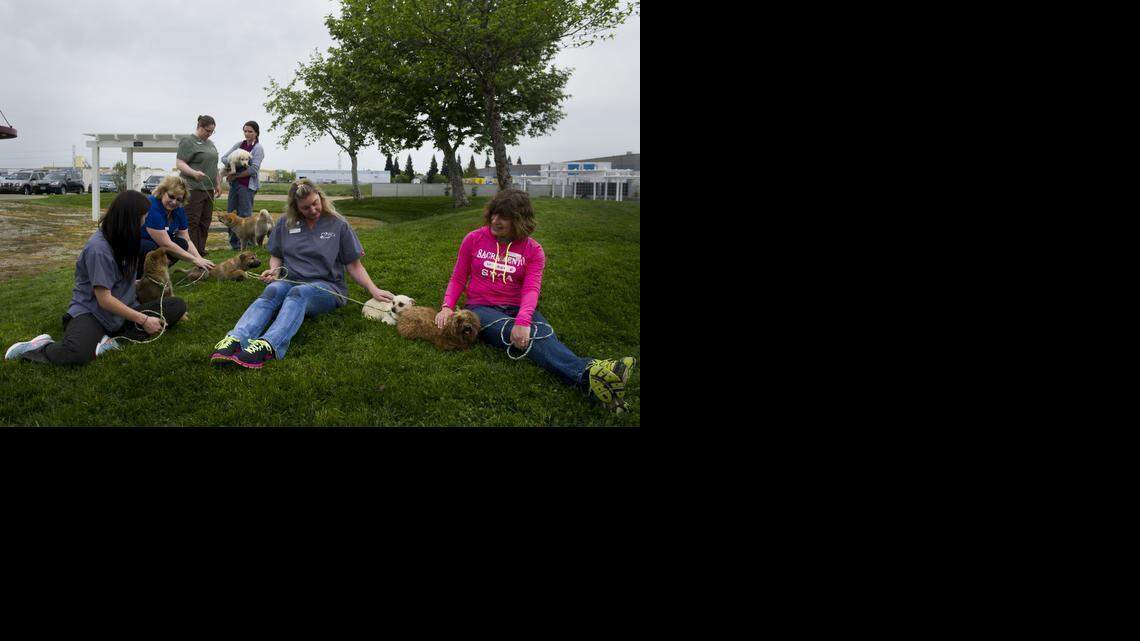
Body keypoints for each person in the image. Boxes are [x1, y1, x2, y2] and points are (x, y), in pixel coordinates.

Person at [435, 189, 637, 412]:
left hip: (517, 306)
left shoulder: (534, 250)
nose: (495, 220)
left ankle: (598, 387)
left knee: (541, 332)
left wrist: (523, 320)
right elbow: (458, 277)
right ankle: (592, 372)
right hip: (480, 308)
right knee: (520, 333)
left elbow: (531, 289)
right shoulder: (473, 239)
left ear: (519, 220)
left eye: (503, 216)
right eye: (494, 213)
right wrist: (447, 307)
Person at [209, 179, 394, 369]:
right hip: (290, 280)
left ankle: (268, 345)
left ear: (321, 197)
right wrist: (274, 271)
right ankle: (236, 338)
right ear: (295, 208)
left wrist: (374, 289)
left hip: (327, 287)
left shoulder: (338, 224)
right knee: (272, 290)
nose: (313, 210)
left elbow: (354, 265)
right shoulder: (285, 223)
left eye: (315, 203)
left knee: (300, 293)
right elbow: (276, 255)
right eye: (306, 208)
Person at [5, 191, 187, 366]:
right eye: (143, 217)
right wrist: (144, 320)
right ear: (130, 219)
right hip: (94, 314)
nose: (145, 221)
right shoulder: (98, 249)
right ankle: (41, 347)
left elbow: (118, 279)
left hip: (124, 311)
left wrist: (141, 284)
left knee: (176, 306)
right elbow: (105, 300)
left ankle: (112, 342)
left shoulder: (128, 239)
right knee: (76, 354)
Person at [137, 175, 215, 279]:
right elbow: (165, 244)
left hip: (157, 244)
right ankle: (139, 276)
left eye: (179, 199)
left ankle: (157, 273)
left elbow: (186, 238)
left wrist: (200, 259)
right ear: (163, 192)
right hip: (135, 244)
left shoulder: (178, 209)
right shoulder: (152, 205)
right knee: (150, 247)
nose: (174, 202)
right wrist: (194, 259)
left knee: (181, 243)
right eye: (171, 196)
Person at [176, 115, 222, 257]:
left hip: (208, 188)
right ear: (200, 127)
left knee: (205, 221)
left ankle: (201, 250)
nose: (209, 134)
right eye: (207, 130)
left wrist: (218, 183)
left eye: (212, 131)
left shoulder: (210, 143)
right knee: (192, 221)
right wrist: (194, 173)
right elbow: (180, 163)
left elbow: (214, 165)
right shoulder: (188, 141)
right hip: (193, 188)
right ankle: (192, 251)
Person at [219, 121, 266, 250]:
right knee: (231, 214)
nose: (247, 134)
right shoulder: (239, 145)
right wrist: (236, 160)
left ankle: (248, 245)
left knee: (245, 214)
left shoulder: (258, 148)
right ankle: (234, 245)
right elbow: (224, 158)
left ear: (256, 133)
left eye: (250, 131)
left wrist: (236, 175)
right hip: (234, 185)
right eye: (245, 131)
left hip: (247, 185)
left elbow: (253, 169)